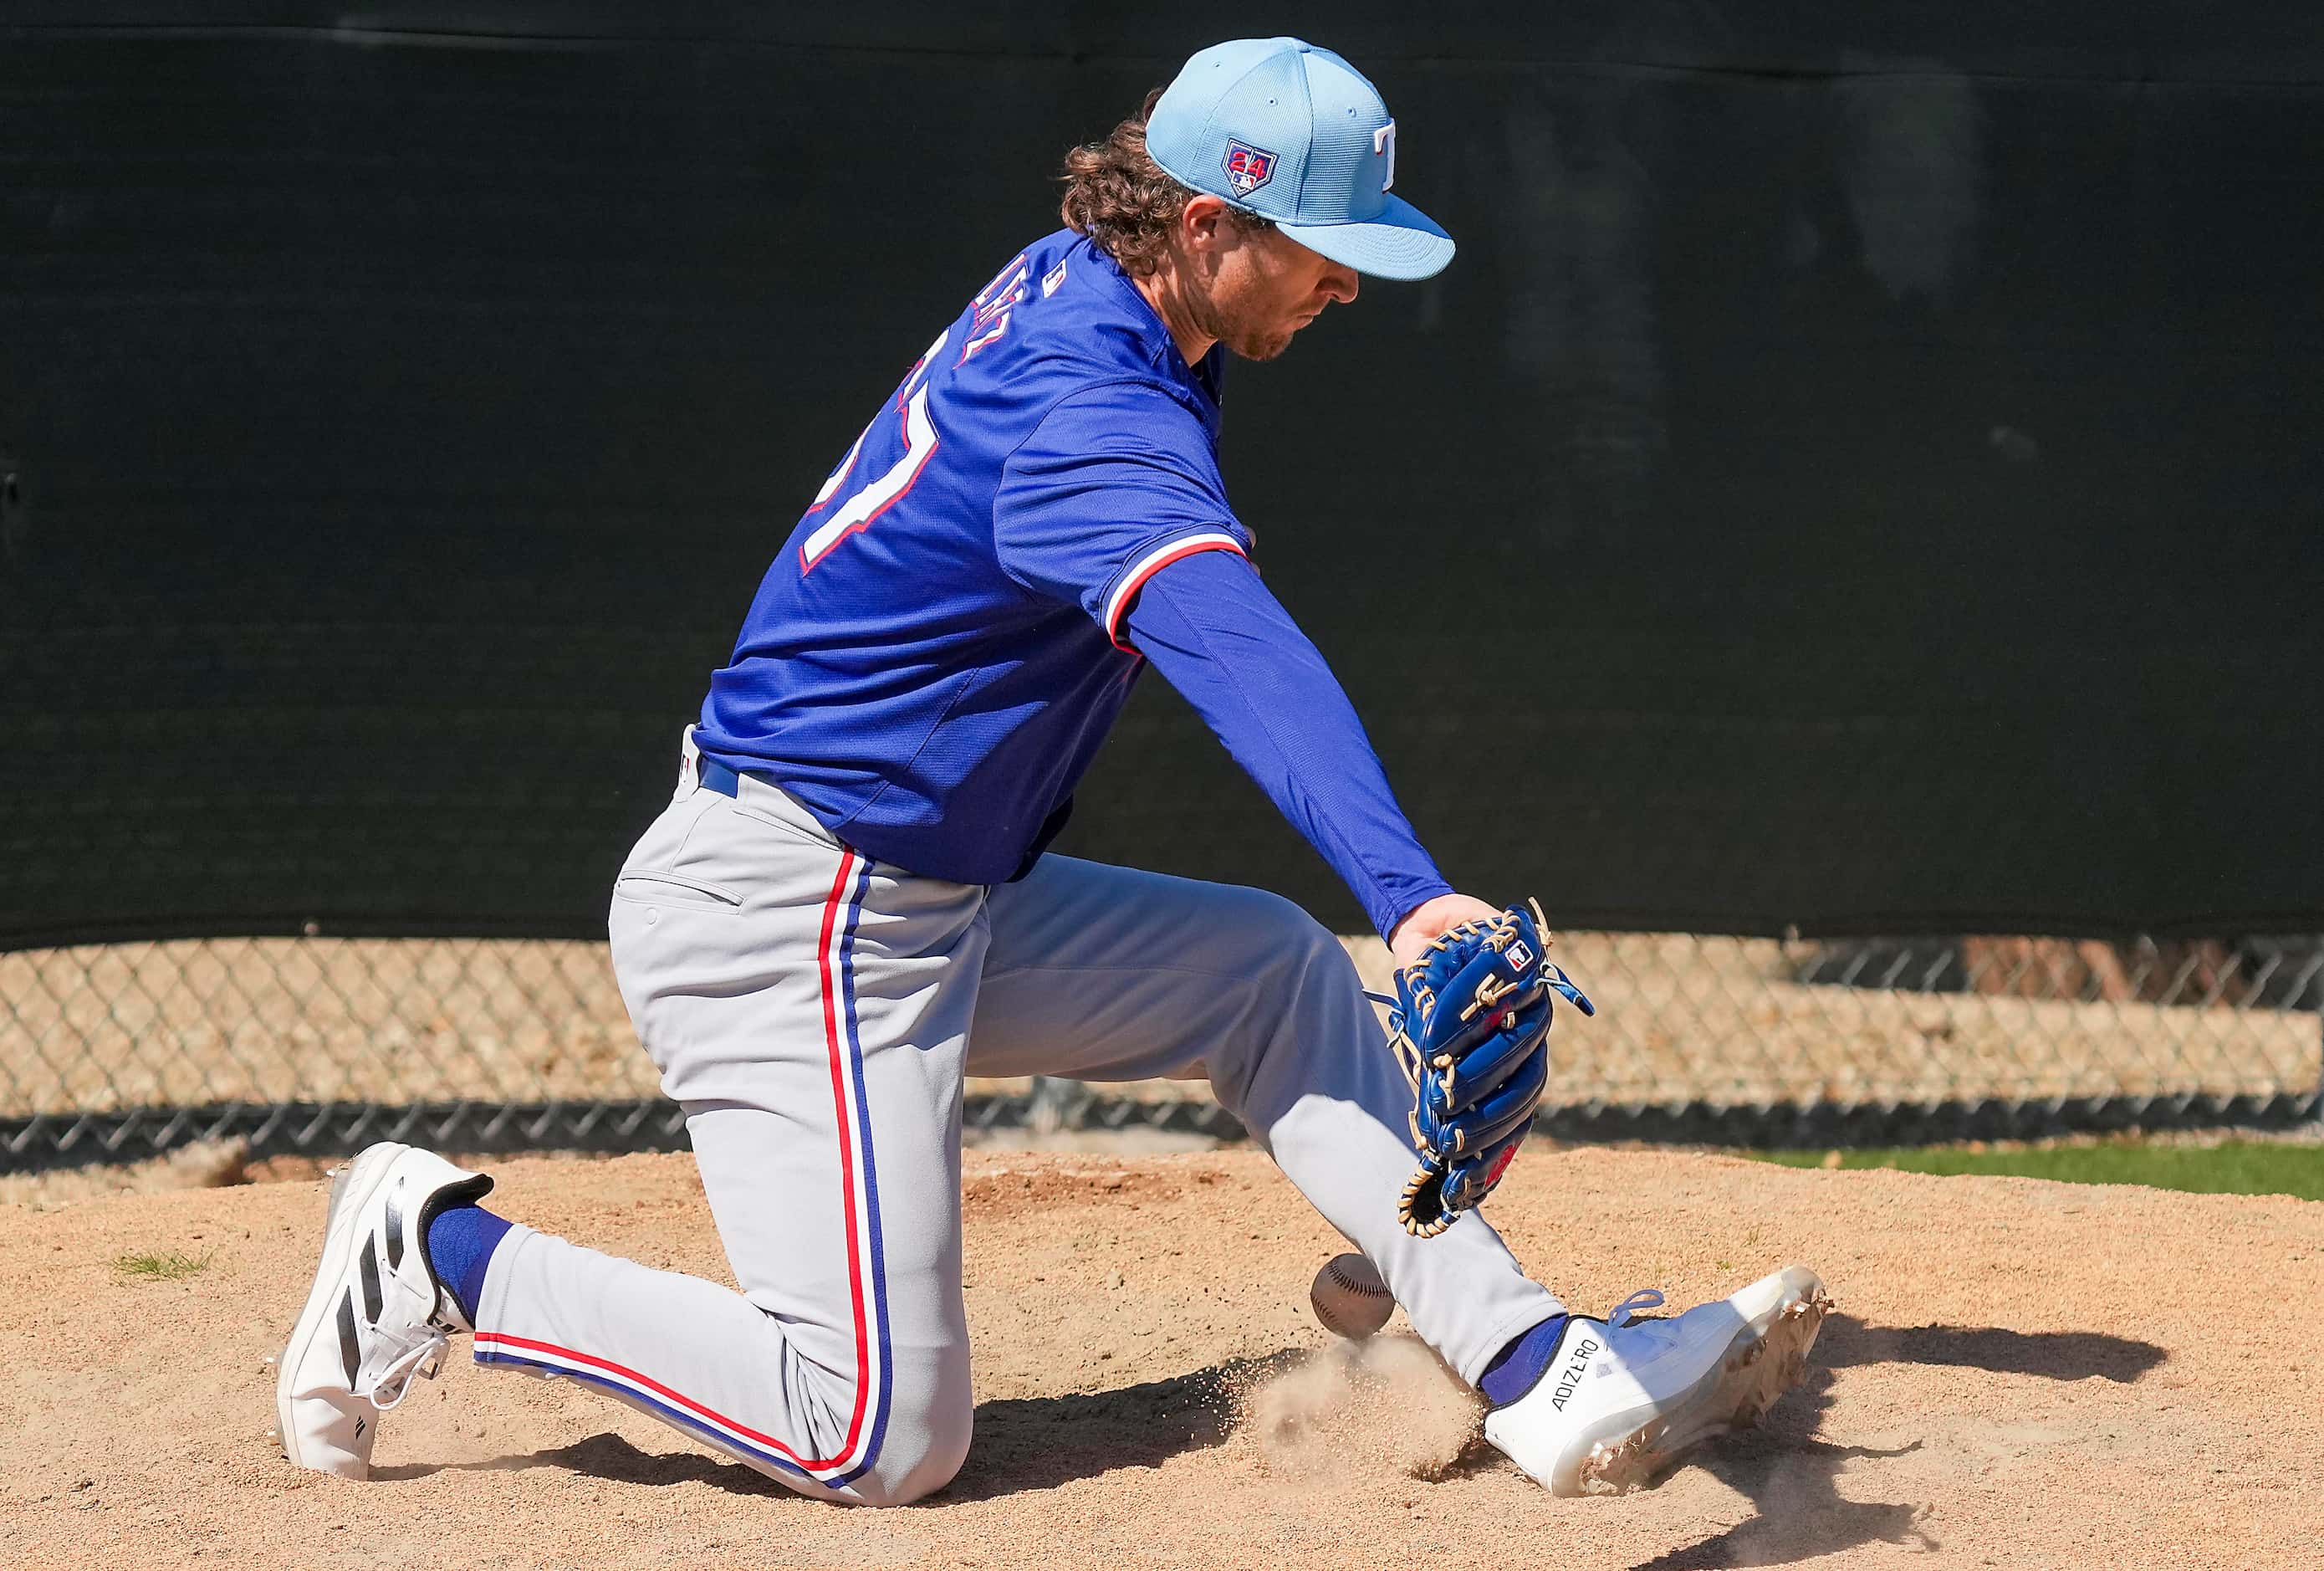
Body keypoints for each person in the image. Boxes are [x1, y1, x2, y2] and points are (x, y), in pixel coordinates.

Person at [277, 37, 1826, 1505]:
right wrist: (1411, 899)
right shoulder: (1088, 403)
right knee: (874, 1431)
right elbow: (1233, 645)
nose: (1347, 277)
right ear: (1205, 221)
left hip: (924, 891)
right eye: (1318, 242)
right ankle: (433, 1252)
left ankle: (1522, 1351)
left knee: (1266, 974)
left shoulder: (1117, 286)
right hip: (792, 916)